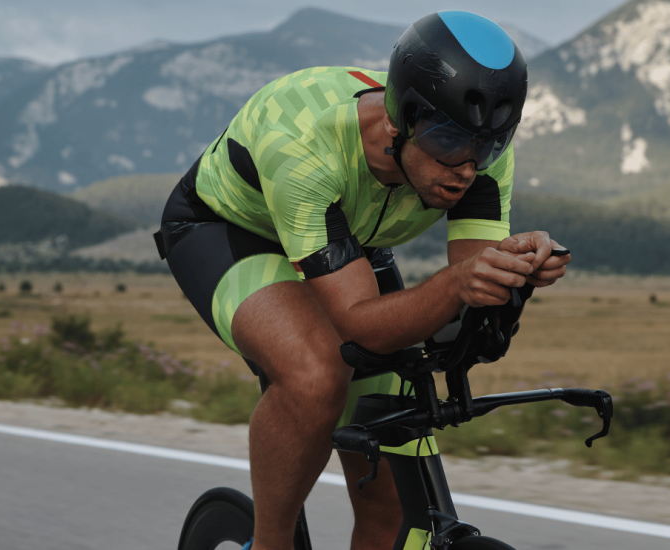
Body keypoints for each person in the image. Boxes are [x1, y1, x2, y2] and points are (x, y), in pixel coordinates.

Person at [155, 10, 570, 550]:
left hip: (345, 240)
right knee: (316, 374)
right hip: (230, 228)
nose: (467, 168)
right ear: (403, 120)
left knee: (393, 486)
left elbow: (471, 294)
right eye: (448, 142)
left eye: (488, 146)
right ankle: (270, 543)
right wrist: (459, 283)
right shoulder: (304, 146)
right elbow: (363, 328)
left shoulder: (477, 153)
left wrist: (515, 272)